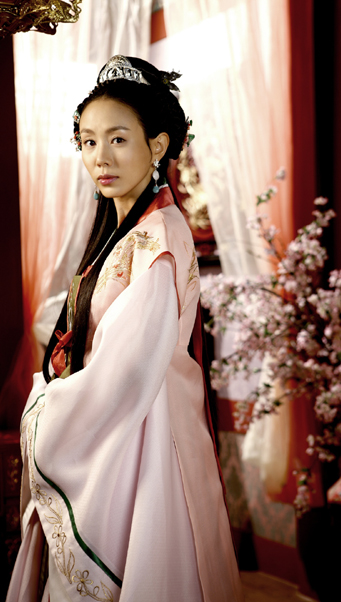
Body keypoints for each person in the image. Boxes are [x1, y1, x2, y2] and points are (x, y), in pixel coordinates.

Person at [7, 55, 244, 602]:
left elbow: (126, 369)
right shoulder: (126, 231)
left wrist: (45, 406)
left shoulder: (157, 238)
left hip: (144, 438)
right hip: (129, 429)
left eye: (118, 139)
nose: (100, 157)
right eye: (89, 141)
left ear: (157, 145)